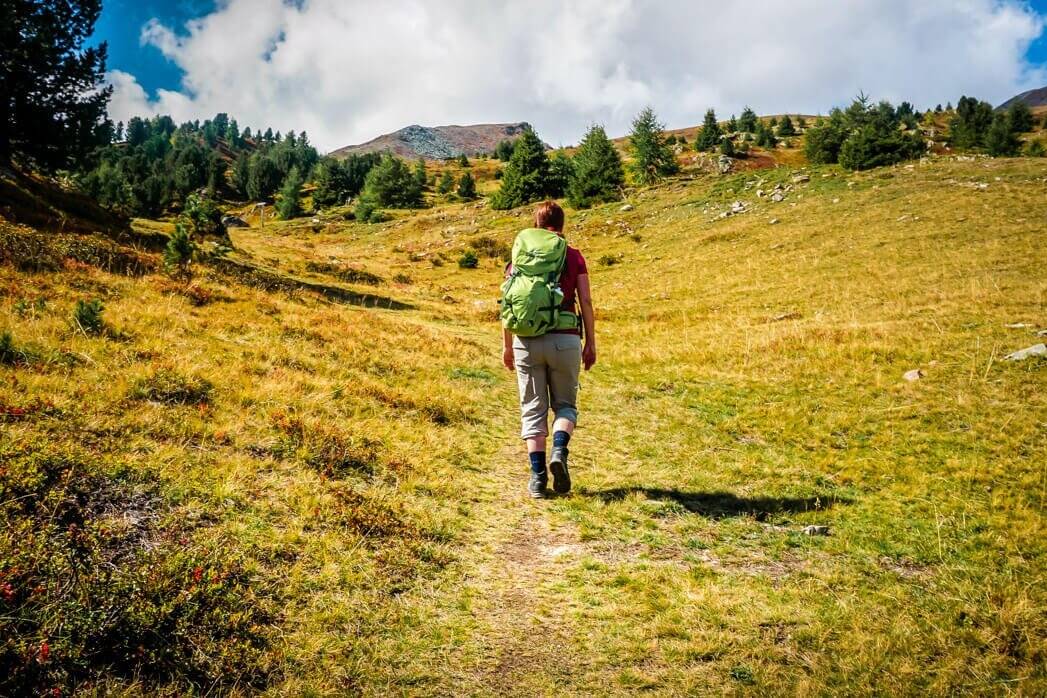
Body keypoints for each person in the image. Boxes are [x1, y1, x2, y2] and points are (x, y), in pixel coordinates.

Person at [502, 201, 596, 498]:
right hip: (565, 339)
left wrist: (507, 346)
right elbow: (587, 302)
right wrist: (590, 342)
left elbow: (509, 303)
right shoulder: (574, 256)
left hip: (526, 341)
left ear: (536, 224)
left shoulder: (519, 259)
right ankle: (559, 449)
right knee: (565, 406)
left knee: (533, 410)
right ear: (562, 224)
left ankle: (538, 478)